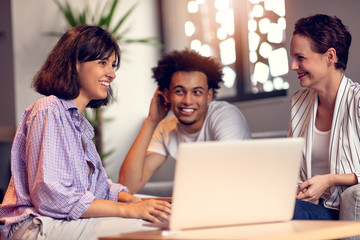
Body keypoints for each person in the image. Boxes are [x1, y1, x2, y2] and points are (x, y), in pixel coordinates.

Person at [0, 25, 171, 240]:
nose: (111, 74)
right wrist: (128, 210)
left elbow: (101, 187)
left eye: (112, 65)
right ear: (74, 64)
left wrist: (134, 200)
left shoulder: (78, 123)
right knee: (145, 226)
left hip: (61, 221)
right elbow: (52, 196)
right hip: (35, 224)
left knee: (161, 215)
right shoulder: (48, 110)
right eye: (102, 63)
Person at [119, 49, 251, 194]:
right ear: (167, 95)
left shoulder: (225, 116)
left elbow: (229, 180)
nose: (188, 101)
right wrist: (151, 121)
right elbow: (127, 186)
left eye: (197, 92)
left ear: (208, 95)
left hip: (240, 197)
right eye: (179, 91)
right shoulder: (165, 128)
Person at [288, 14, 360, 222]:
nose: (293, 66)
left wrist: (330, 180)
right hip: (308, 206)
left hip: (340, 210)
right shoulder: (299, 102)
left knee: (285, 213)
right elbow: (293, 167)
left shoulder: (356, 101)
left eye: (300, 57)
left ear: (330, 56)